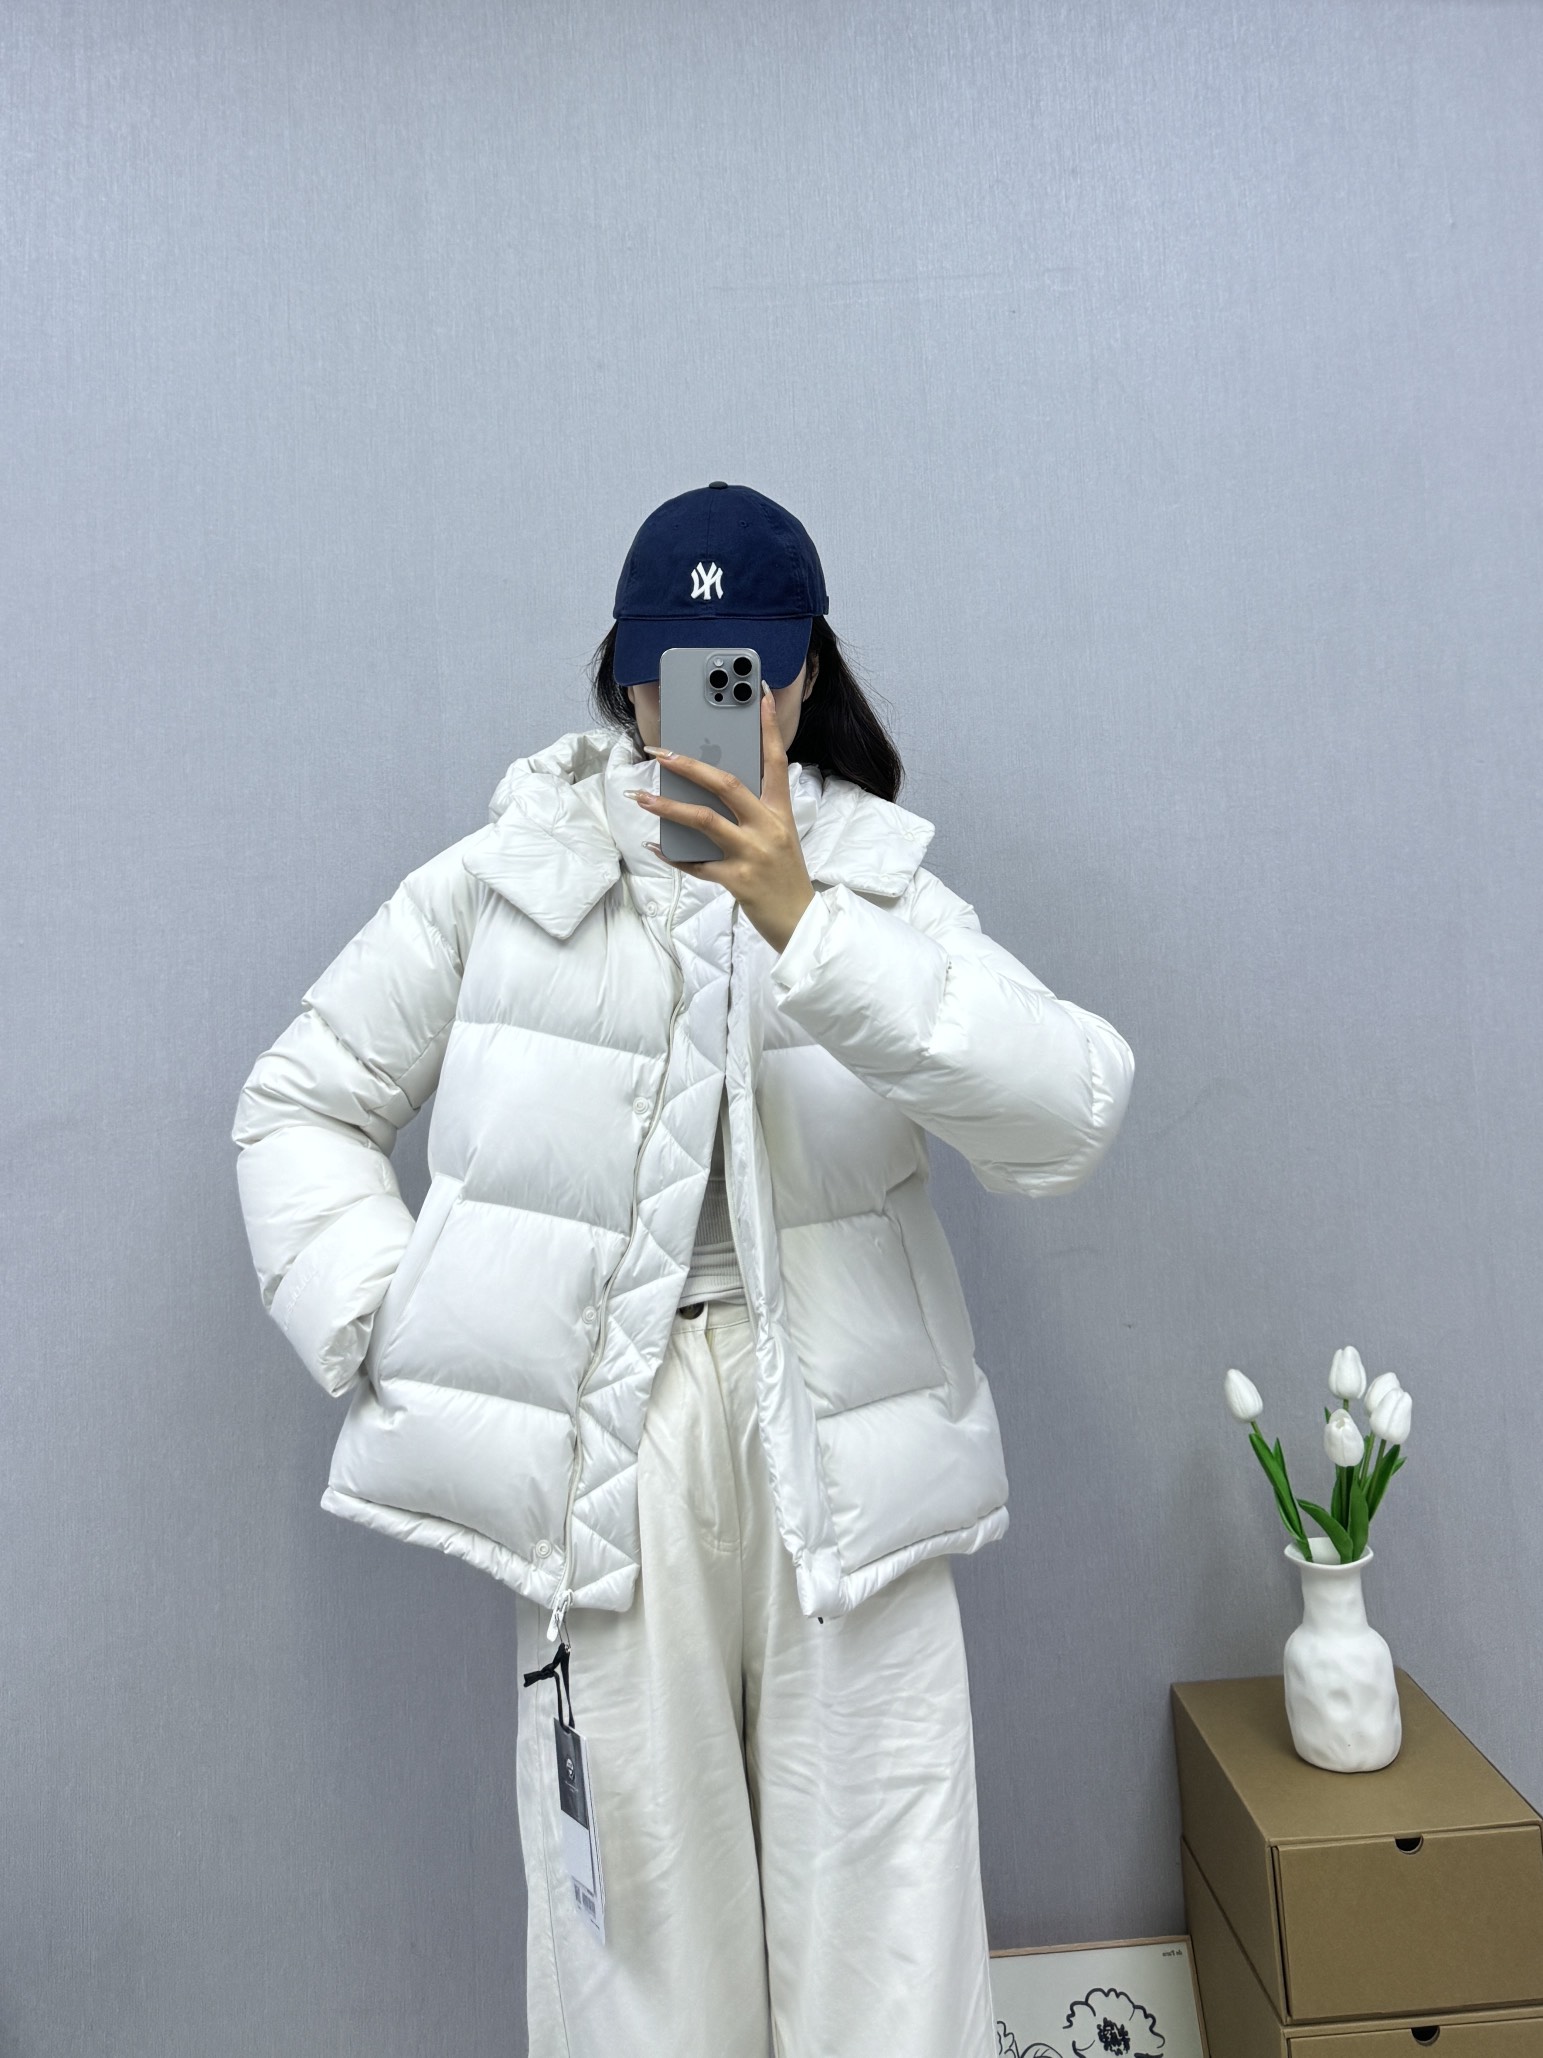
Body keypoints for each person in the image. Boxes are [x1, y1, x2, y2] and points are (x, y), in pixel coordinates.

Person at [231, 480, 1134, 2058]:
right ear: (628, 677)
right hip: (613, 1469)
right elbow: (296, 1102)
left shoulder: (875, 882)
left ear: (805, 672)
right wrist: (404, 1324)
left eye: (752, 671)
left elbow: (1070, 1109)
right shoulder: (509, 875)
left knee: (890, 1946)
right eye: (677, 670)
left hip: (845, 1459)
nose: (715, 704)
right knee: (636, 1964)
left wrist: (807, 922)